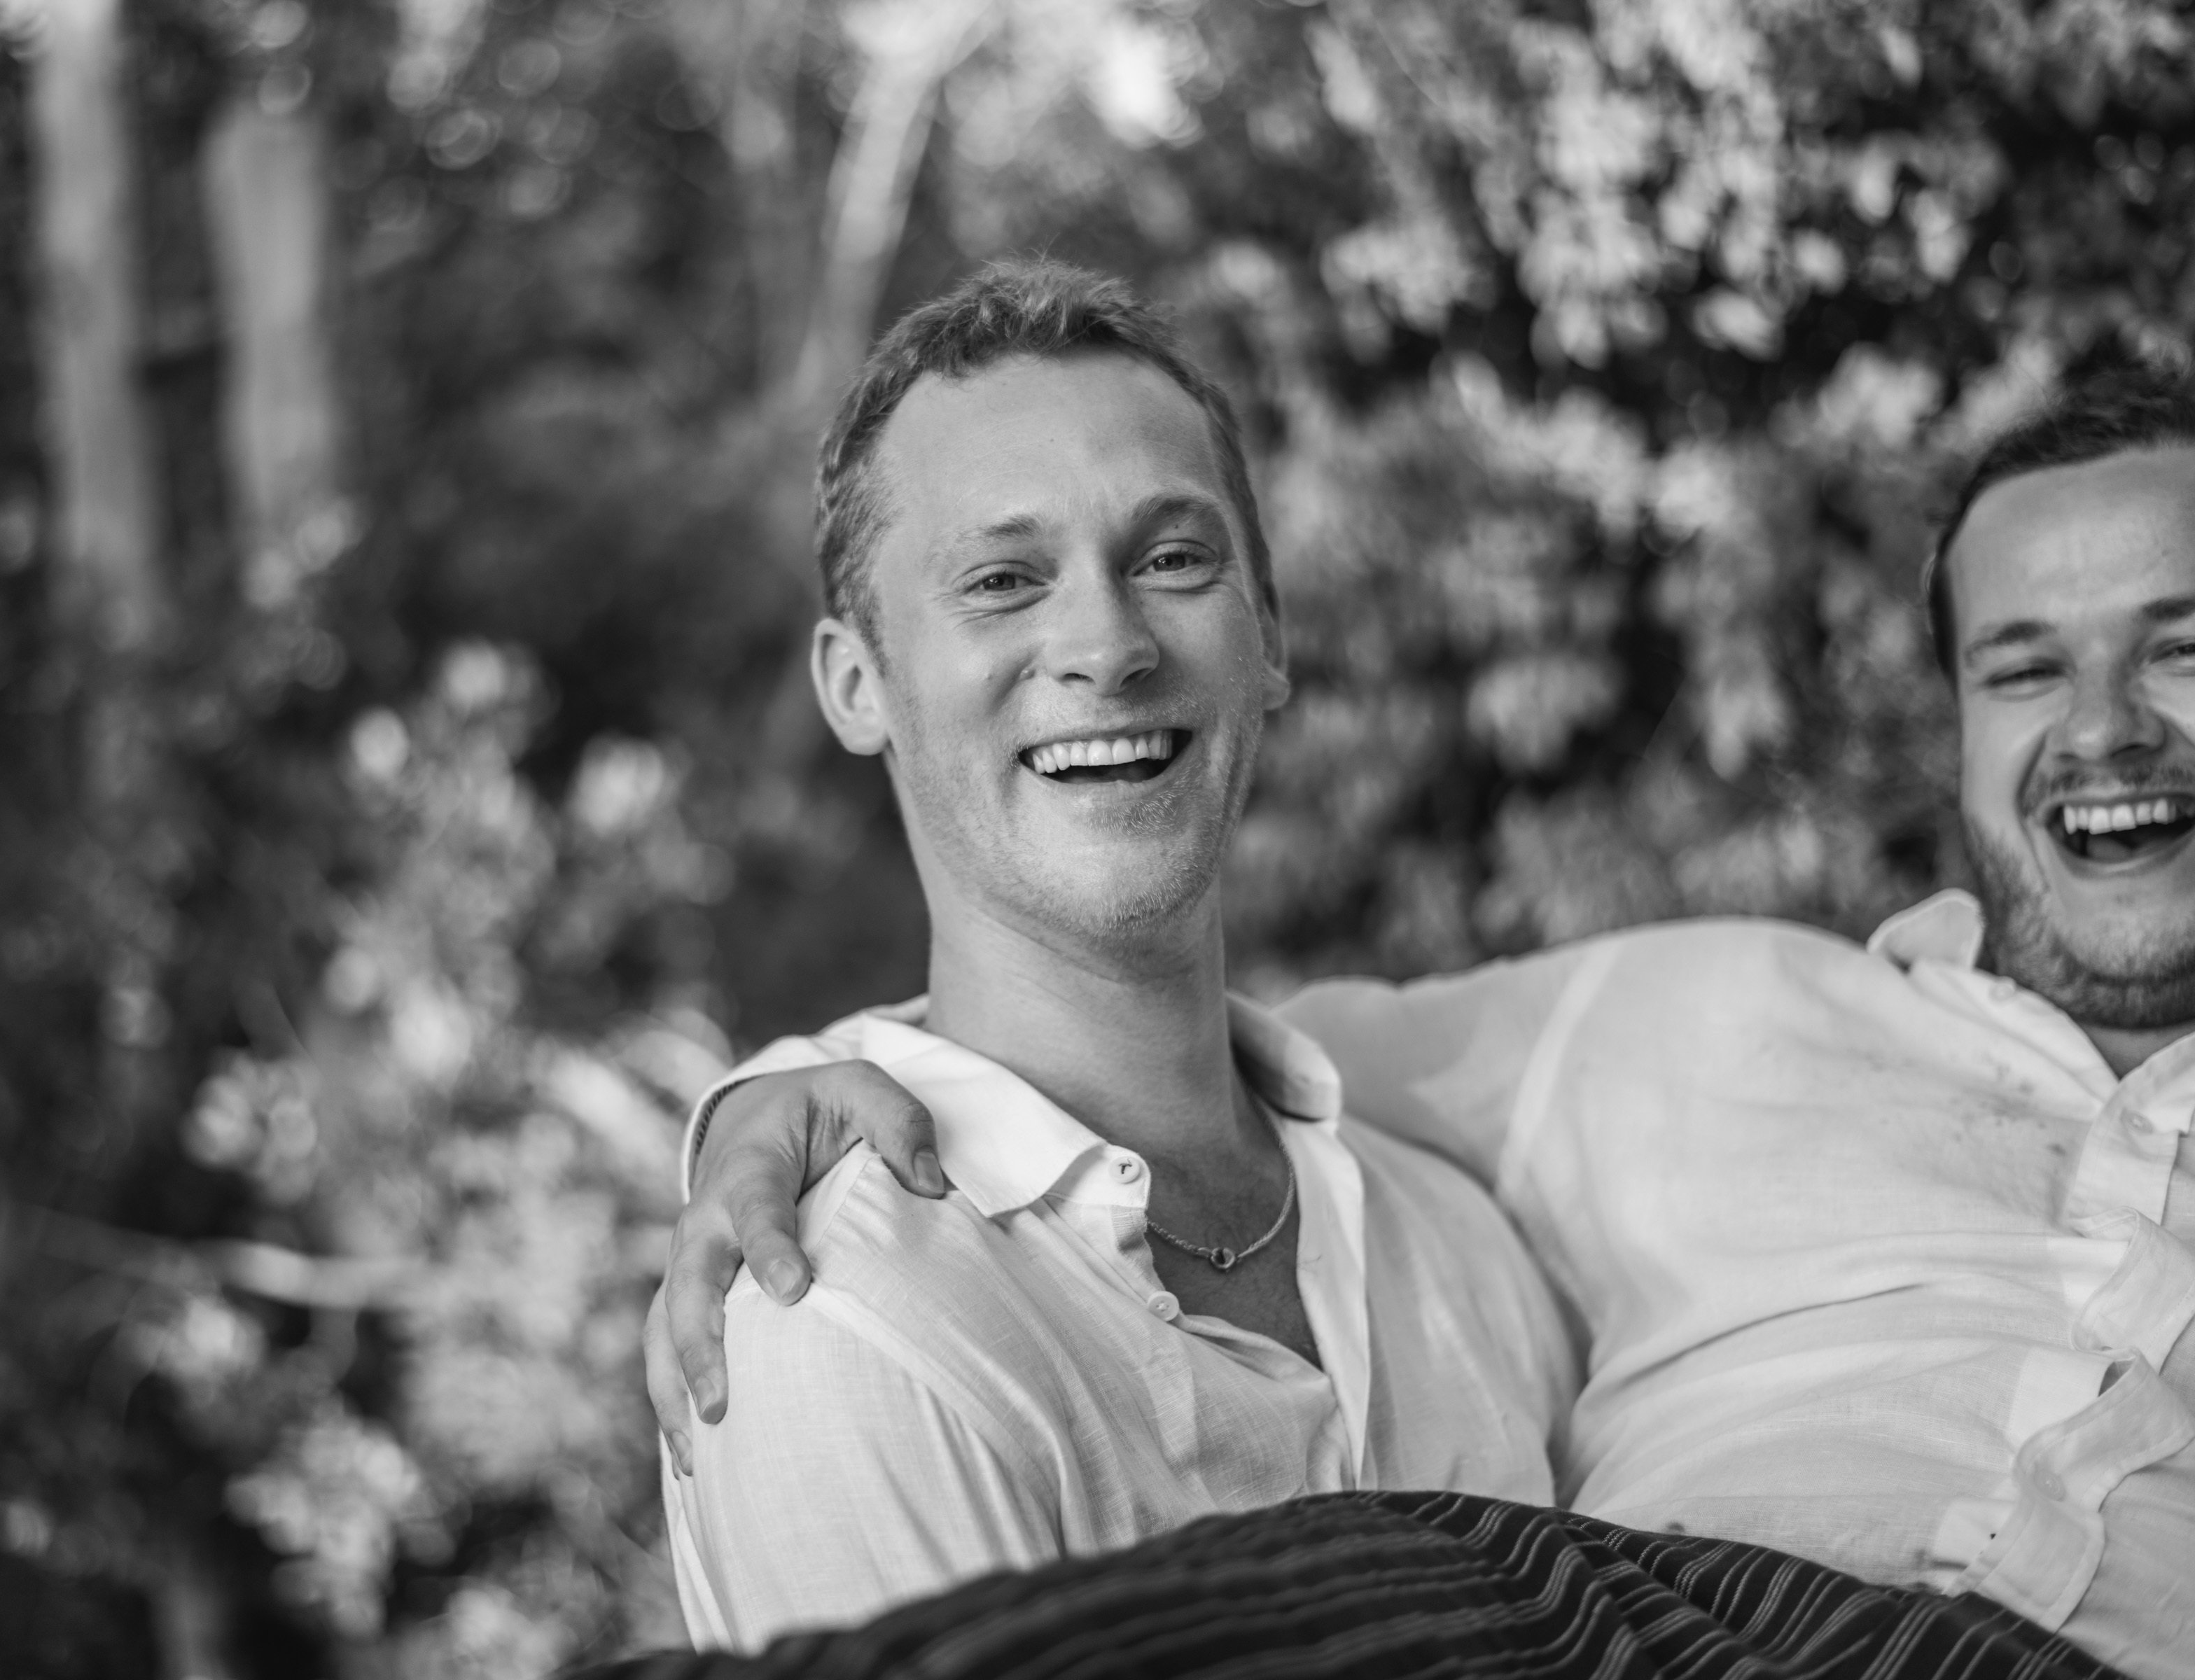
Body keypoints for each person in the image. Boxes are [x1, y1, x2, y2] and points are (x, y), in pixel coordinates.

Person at [650, 365, 2195, 1680]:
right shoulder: (1698, 1012)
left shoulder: (1429, 1233)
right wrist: (784, 1094)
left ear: (1267, 636)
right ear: (1958, 716)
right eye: (2024, 665)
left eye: (2185, 647)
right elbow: (1135, 1066)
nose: (2108, 727)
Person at [659, 258, 1579, 1651]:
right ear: (857, 685)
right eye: (1001, 581)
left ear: (1270, 637)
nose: (1106, 643)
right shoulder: (848, 1316)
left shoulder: (1462, 1240)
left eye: (1171, 559)